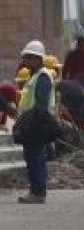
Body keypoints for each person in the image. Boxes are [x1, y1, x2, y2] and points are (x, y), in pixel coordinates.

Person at [17, 40, 54, 204]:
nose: (25, 61)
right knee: (32, 157)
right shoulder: (35, 76)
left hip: (35, 124)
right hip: (30, 123)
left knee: (35, 158)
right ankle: (36, 191)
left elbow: (41, 104)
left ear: (38, 59)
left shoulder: (43, 76)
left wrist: (32, 123)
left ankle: (38, 192)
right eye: (25, 57)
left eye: (28, 57)